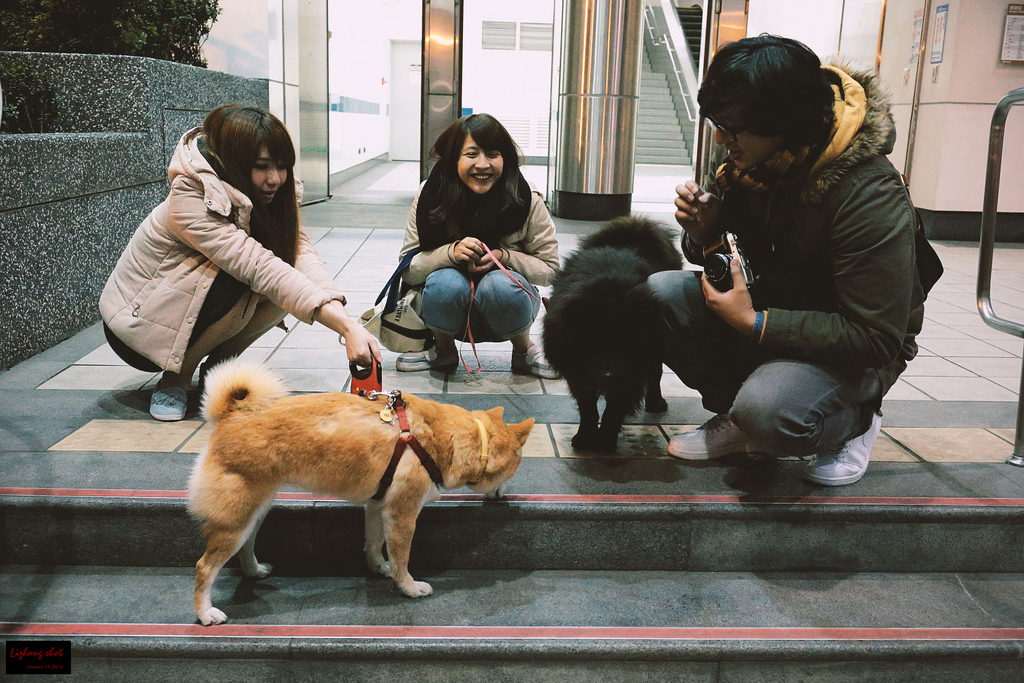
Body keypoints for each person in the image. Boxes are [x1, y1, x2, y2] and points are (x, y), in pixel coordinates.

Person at [649, 35, 925, 486]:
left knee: (772, 413)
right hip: (777, 305)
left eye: (734, 129)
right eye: (718, 124)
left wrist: (754, 324)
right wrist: (704, 234)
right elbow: (736, 257)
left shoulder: (867, 192)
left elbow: (875, 337)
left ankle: (855, 419)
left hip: (855, 346)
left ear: (786, 124)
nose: (723, 139)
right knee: (660, 294)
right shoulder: (750, 160)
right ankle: (740, 421)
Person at [100, 104, 380, 421]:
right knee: (244, 279)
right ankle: (176, 378)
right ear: (233, 161)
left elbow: (300, 255)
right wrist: (344, 327)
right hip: (136, 327)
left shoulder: (266, 192)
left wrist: (345, 319)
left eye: (283, 166)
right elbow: (257, 266)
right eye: (262, 167)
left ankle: (218, 368)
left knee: (285, 282)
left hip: (183, 313)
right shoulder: (190, 198)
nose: (275, 179)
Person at [394, 113, 559, 378]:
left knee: (500, 284)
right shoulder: (431, 196)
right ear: (454, 158)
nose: (483, 164)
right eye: (471, 154)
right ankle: (443, 350)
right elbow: (408, 270)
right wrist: (450, 253)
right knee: (445, 281)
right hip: (445, 311)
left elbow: (550, 270)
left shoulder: (526, 199)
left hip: (507, 308)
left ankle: (523, 350)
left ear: (505, 158)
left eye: (492, 154)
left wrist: (503, 257)